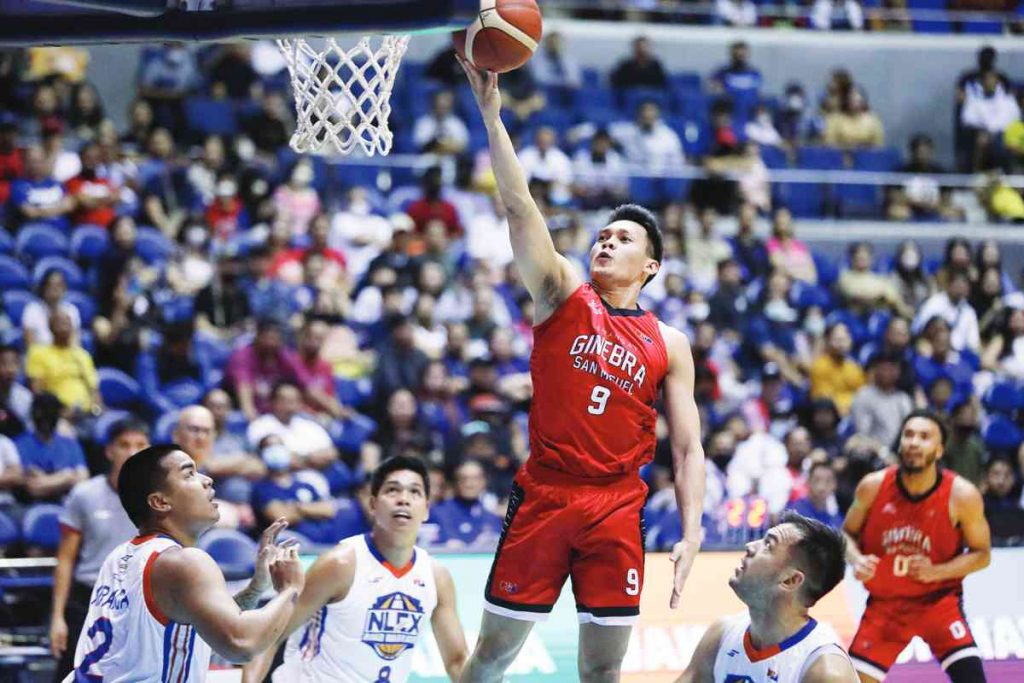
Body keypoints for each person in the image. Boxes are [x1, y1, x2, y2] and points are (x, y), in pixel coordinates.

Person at [457, 56, 705, 682]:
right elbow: (520, 208)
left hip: (617, 507)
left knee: (602, 672)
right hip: (545, 492)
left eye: (623, 238)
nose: (605, 241)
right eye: (602, 234)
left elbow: (690, 447)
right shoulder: (562, 292)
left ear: (651, 266)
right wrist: (493, 117)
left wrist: (693, 529)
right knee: (492, 656)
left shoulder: (668, 342)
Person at [66, 445, 306, 680]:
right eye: (189, 473)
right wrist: (291, 589)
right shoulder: (183, 562)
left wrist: (256, 587)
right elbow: (241, 643)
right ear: (160, 502)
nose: (207, 480)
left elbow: (205, 622)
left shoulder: (120, 556)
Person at [241, 456, 469, 682]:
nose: (404, 499)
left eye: (415, 492)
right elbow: (270, 635)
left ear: (427, 509)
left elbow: (457, 661)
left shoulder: (437, 577)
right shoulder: (339, 565)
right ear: (372, 504)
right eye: (392, 490)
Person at [842, 410, 991, 682]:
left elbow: (983, 555)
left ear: (939, 449)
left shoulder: (962, 495)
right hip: (885, 608)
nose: (913, 442)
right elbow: (846, 535)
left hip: (938, 604)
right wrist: (856, 559)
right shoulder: (872, 487)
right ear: (899, 443)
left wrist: (938, 571)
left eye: (924, 437)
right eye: (908, 435)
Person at [674, 513, 857, 682]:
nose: (750, 546)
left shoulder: (826, 672)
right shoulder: (722, 634)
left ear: (790, 580)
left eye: (768, 545)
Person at [49, 419, 150, 681]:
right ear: (109, 451)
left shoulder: (158, 499)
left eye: (140, 445)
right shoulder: (85, 495)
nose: (131, 452)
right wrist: (57, 617)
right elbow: (65, 559)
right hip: (88, 599)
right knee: (73, 674)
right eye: (124, 445)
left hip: (137, 600)